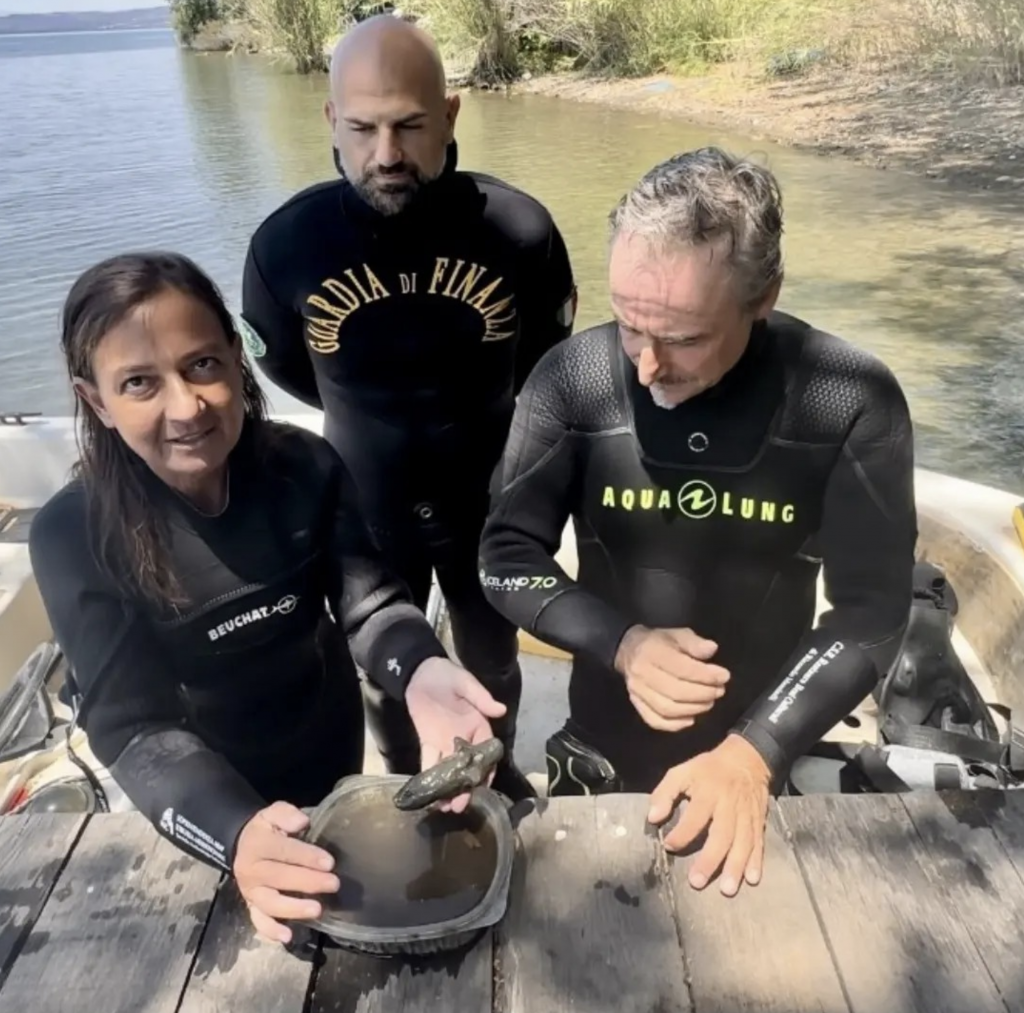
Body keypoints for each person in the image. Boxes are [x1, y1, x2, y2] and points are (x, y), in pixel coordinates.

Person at [29, 251, 507, 946]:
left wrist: (423, 670)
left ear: (235, 356)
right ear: (95, 400)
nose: (187, 407)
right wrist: (236, 833)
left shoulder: (303, 465)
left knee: (350, 923)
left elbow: (371, 606)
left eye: (202, 365)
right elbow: (134, 728)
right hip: (200, 790)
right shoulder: (73, 533)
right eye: (139, 383)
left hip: (325, 737)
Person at [478, 148, 917, 896]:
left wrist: (756, 753)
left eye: (683, 339)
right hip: (602, 742)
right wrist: (622, 644)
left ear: (763, 296)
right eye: (628, 325)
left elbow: (873, 609)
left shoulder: (846, 398)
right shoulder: (575, 379)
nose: (648, 367)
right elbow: (504, 554)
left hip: (762, 741)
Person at [238, 15, 577, 800]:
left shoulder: (518, 231)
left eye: (409, 126)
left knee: (493, 657)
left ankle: (496, 769)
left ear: (451, 115)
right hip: (364, 497)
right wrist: (366, 411)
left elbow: (546, 361)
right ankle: (399, 777)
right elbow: (281, 364)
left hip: (487, 494)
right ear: (329, 121)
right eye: (361, 128)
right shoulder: (287, 246)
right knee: (383, 664)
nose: (385, 154)